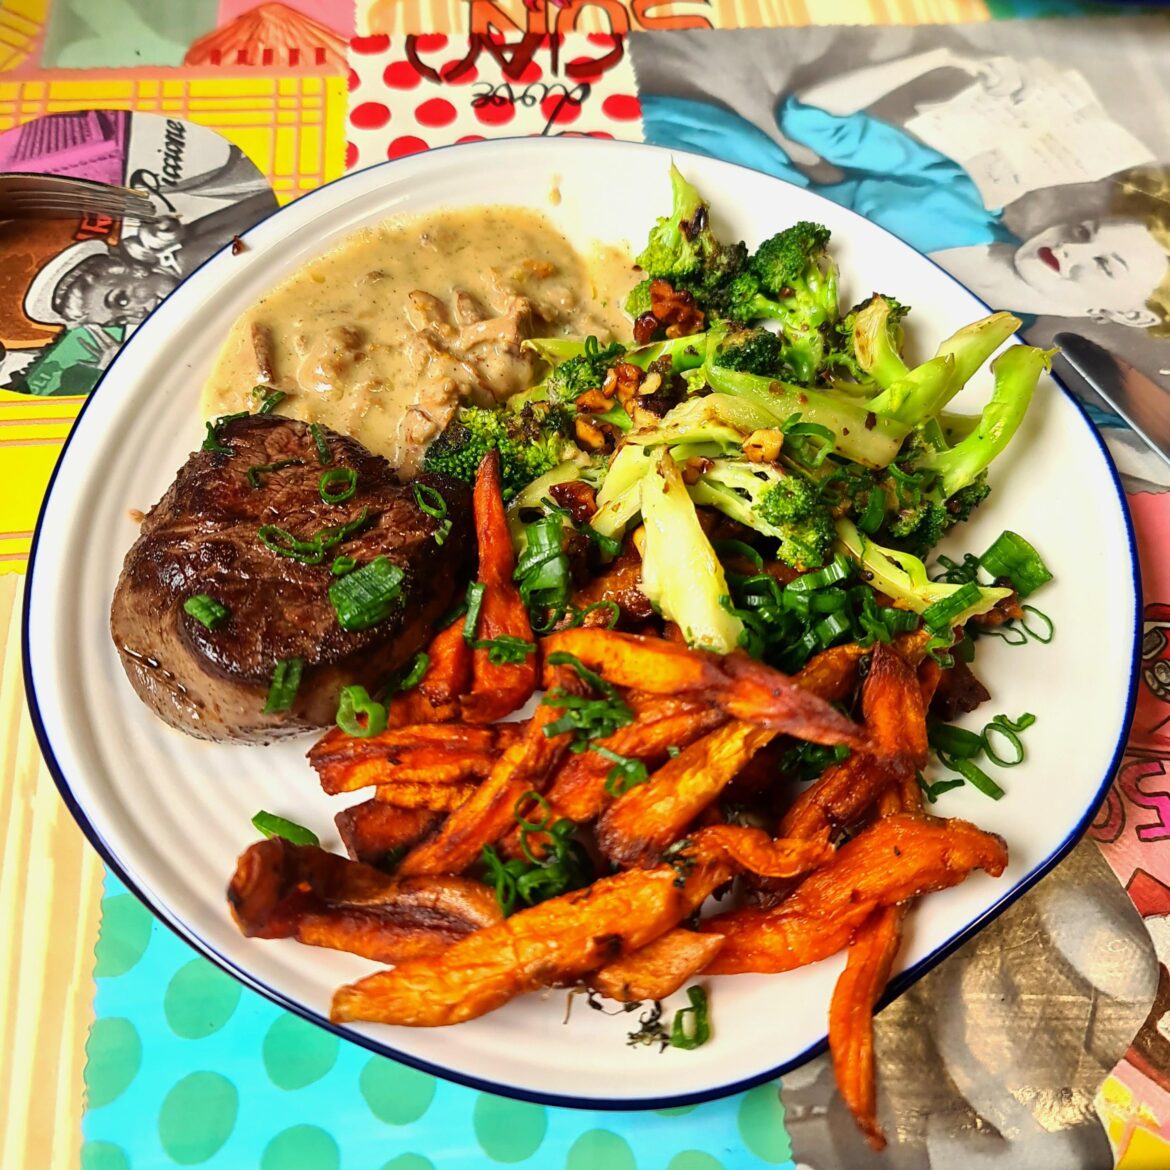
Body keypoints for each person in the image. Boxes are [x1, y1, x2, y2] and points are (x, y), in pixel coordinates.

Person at [640, 46, 1170, 334]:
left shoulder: (995, 349)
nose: (1072, 248)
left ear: (1131, 314)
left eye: (1103, 266)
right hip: (746, 209)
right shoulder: (959, 194)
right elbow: (810, 118)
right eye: (1084, 230)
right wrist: (938, 58)